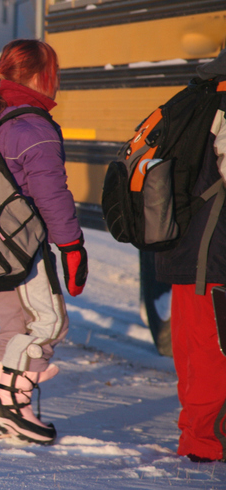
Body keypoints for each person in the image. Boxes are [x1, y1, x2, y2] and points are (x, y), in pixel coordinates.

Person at [0, 38, 87, 445]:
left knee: (12, 327)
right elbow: (52, 197)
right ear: (39, 76)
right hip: (23, 250)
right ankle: (11, 407)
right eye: (54, 74)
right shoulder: (33, 126)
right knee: (47, 322)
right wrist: (72, 247)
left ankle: (5, 412)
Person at [153, 51, 226, 463]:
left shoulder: (196, 95)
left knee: (196, 350)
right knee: (212, 352)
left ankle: (199, 439)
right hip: (212, 252)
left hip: (187, 245)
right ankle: (205, 444)